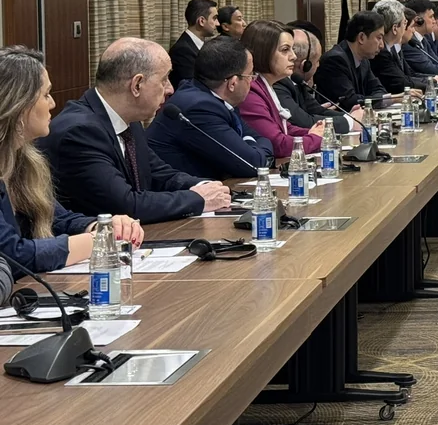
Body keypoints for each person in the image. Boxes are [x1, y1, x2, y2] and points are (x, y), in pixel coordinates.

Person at [43, 38, 230, 223]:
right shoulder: (80, 132)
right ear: (137, 85)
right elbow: (125, 205)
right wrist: (198, 199)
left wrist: (206, 187)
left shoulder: (129, 120)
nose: (170, 89)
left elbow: (158, 174)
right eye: (164, 80)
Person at [0, 46, 143, 276]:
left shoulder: (25, 161)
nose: (52, 104)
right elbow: (13, 256)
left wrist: (102, 227)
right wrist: (96, 241)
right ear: (19, 104)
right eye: (46, 94)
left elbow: (59, 219)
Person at [146, 37, 273, 179]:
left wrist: (250, 144)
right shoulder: (199, 108)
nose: (252, 80)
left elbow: (260, 139)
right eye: (250, 75)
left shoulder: (212, 99)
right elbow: (254, 165)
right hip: (176, 190)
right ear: (233, 83)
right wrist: (252, 145)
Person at [239, 20, 325, 158]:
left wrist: (314, 133)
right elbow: (278, 144)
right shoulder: (250, 91)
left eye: (292, 49)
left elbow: (285, 128)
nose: (294, 56)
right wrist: (315, 138)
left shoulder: (265, 85)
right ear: (263, 52)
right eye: (285, 50)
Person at [275, 26, 356, 133]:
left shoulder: (296, 82)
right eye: (317, 61)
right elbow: (305, 122)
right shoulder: (278, 84)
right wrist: (350, 122)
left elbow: (317, 110)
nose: (318, 65)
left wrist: (351, 116)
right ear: (305, 65)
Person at [312, 11, 391, 111]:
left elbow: (379, 90)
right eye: (379, 38)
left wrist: (375, 98)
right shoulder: (334, 60)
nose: (382, 45)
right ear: (361, 38)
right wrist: (377, 99)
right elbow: (350, 101)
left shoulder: (364, 60)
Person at [371, 0, 429, 94]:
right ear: (394, 29)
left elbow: (406, 76)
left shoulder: (391, 49)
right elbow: (400, 83)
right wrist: (432, 83)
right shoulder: (380, 52)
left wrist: (432, 80)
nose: (413, 31)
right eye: (405, 23)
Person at [168, 0, 218, 88]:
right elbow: (191, 87)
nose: (217, 23)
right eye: (214, 18)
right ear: (201, 21)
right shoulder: (182, 50)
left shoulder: (205, 45)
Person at [402, 0, 438, 77]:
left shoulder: (423, 39)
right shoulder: (409, 43)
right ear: (418, 20)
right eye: (431, 17)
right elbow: (429, 68)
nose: (434, 21)